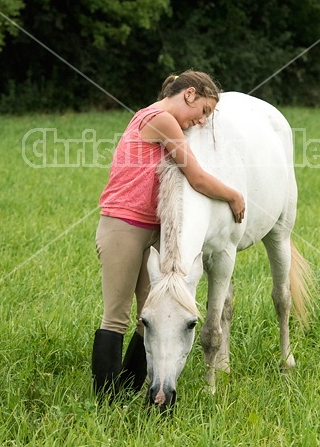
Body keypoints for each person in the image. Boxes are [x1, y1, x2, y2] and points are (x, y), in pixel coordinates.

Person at [91, 70, 245, 402]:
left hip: (154, 230)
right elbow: (198, 178)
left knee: (150, 319)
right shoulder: (160, 118)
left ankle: (132, 391)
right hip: (124, 225)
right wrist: (234, 195)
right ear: (189, 94)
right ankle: (105, 401)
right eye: (204, 111)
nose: (202, 122)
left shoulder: (172, 124)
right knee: (116, 316)